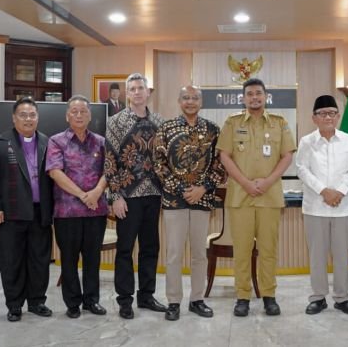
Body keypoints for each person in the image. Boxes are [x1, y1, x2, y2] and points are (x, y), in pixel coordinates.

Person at [218, 78, 296, 317]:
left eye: (258, 93)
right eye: (250, 94)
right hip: (240, 197)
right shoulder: (231, 124)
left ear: (265, 97)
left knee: (268, 249)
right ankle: (242, 297)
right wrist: (246, 183)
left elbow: (286, 156)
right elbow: (225, 156)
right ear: (243, 98)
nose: (254, 97)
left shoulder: (279, 123)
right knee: (241, 249)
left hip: (269, 197)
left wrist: (267, 182)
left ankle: (269, 296)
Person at [153, 85, 227, 321]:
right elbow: (158, 164)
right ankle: (174, 301)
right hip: (174, 200)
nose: (190, 102)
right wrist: (184, 190)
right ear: (179, 101)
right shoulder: (166, 128)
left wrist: (202, 188)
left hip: (202, 199)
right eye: (186, 97)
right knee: (174, 253)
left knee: (198, 254)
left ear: (201, 102)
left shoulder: (213, 130)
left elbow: (220, 165)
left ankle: (197, 300)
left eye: (195, 98)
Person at [0, 97, 55, 322]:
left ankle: (37, 301)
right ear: (14, 118)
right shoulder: (0, 142)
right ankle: (14, 305)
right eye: (23, 115)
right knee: (11, 261)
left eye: (32, 115)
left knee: (40, 260)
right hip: (11, 213)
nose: (28, 119)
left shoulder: (46, 142)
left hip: (40, 213)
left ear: (37, 118)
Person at [104, 73, 168, 319]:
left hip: (154, 195)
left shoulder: (160, 122)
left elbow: (164, 160)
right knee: (124, 249)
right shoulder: (116, 122)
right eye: (132, 89)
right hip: (127, 197)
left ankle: (147, 295)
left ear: (148, 92)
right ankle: (125, 299)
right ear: (127, 94)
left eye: (141, 88)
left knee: (151, 247)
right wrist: (115, 196)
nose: (137, 92)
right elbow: (110, 162)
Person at [295, 95, 348, 315]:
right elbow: (302, 169)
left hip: (342, 207)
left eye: (332, 113)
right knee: (317, 255)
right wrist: (324, 191)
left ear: (338, 116)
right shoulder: (306, 142)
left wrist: (339, 192)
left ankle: (342, 298)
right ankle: (318, 297)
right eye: (322, 113)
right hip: (315, 206)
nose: (328, 117)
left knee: (342, 254)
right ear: (314, 118)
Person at [45, 95, 109, 319]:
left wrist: (97, 192)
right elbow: (55, 172)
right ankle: (72, 303)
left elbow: (108, 171)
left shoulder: (101, 142)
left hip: (96, 210)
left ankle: (91, 301)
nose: (79, 115)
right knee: (69, 259)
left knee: (93, 258)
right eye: (74, 111)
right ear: (67, 115)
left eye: (83, 111)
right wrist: (83, 195)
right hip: (67, 212)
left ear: (90, 115)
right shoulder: (56, 141)